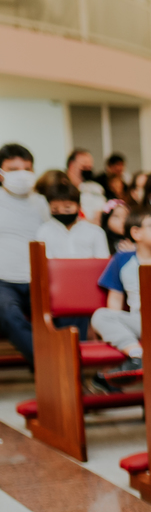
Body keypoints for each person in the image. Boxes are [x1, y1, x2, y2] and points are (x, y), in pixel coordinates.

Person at [90, 208, 151, 389]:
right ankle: (138, 356)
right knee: (101, 315)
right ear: (136, 232)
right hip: (141, 321)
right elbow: (114, 301)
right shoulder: (123, 259)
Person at [0, 143, 50, 365]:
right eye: (13, 169)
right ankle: (49, 366)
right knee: (9, 314)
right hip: (3, 281)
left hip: (39, 279)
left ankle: (66, 362)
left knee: (68, 309)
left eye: (27, 169)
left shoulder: (41, 202)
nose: (21, 175)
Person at [36, 182, 110, 259]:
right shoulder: (44, 231)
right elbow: (42, 263)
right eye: (55, 209)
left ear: (79, 206)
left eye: (67, 208)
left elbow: (102, 263)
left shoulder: (95, 232)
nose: (61, 211)